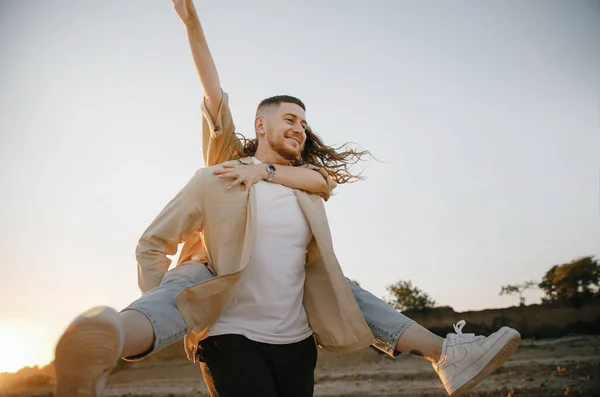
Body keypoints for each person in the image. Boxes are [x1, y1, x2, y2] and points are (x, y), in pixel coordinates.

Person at [53, 1, 521, 396]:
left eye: (303, 123)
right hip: (228, 333)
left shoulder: (302, 181)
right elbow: (212, 92)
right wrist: (192, 23)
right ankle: (101, 345)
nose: (299, 127)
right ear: (261, 124)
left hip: (296, 338)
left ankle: (448, 356)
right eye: (290, 118)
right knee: (177, 292)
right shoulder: (225, 166)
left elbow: (322, 183)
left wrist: (268, 171)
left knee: (345, 285)